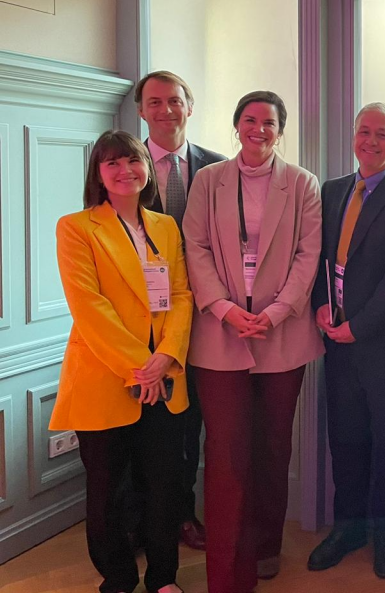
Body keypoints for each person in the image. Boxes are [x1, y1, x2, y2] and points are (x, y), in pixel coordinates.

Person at [182, 91, 324, 593]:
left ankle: (264, 547)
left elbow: (310, 255)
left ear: (280, 129)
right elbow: (194, 246)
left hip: (282, 334)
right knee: (224, 452)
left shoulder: (303, 184)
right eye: (249, 119)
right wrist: (223, 308)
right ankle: (226, 565)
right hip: (220, 334)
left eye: (268, 121)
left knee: (272, 446)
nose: (258, 128)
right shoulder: (208, 181)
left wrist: (277, 311)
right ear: (236, 125)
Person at [51, 130, 192, 593]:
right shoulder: (76, 227)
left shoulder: (166, 227)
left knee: (164, 488)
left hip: (165, 377)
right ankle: (117, 578)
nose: (125, 170)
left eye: (133, 161)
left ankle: (163, 578)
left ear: (147, 169)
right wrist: (141, 366)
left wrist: (166, 356)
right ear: (98, 174)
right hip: (106, 378)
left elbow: (181, 296)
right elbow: (90, 308)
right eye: (112, 163)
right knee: (108, 492)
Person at [307, 102, 385, 579]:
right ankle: (348, 528)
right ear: (352, 136)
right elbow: (318, 259)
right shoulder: (332, 190)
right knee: (347, 440)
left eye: (382, 134)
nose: (371, 141)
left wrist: (358, 327)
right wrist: (321, 303)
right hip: (337, 344)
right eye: (364, 131)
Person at [135, 69, 226, 551]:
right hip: (141, 322)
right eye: (155, 102)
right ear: (141, 110)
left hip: (204, 318)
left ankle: (182, 514)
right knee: (143, 425)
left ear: (190, 106)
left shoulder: (217, 167)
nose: (166, 110)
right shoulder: (125, 165)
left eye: (175, 101)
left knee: (188, 423)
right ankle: (143, 521)